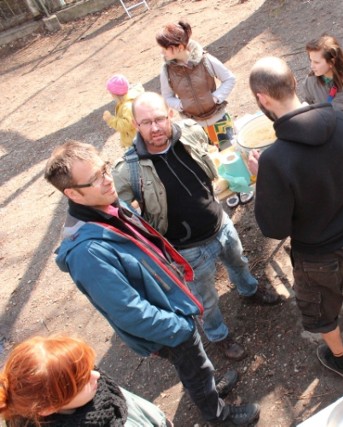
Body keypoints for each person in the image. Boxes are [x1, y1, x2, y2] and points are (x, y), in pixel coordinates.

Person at [44, 141, 260, 425]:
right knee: (193, 367)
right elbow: (130, 312)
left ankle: (208, 388)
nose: (108, 180)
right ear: (72, 193)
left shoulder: (105, 203)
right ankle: (218, 414)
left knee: (196, 365)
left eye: (104, 169)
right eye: (95, 179)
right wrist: (180, 328)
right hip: (168, 324)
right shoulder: (87, 253)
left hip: (172, 307)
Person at [247, 57, 343, 380]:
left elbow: (274, 227)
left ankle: (341, 359)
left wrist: (263, 180)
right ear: (295, 84)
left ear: (262, 98)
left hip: (316, 256)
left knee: (322, 310)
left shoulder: (273, 159)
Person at [112, 91, 281, 362]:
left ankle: (249, 289)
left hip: (220, 223)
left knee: (239, 262)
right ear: (135, 125)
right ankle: (218, 335)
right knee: (206, 299)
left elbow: (210, 156)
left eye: (159, 118)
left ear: (170, 115)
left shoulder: (190, 133)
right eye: (146, 122)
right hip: (187, 250)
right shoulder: (127, 169)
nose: (154, 127)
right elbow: (118, 210)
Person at [0, 334, 170, 426]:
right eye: (82, 381)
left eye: (89, 368)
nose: (96, 375)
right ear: (48, 408)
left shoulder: (96, 387)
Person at [156, 20, 236, 149]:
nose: (162, 52)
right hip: (194, 128)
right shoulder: (166, 71)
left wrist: (215, 98)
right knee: (210, 162)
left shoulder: (205, 60)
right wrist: (181, 105)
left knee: (232, 156)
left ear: (180, 47)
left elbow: (229, 79)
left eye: (165, 48)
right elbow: (167, 97)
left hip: (219, 121)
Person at [102, 74, 144, 149]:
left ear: (115, 94)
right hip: (135, 139)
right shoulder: (125, 102)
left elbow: (127, 125)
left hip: (135, 142)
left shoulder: (127, 106)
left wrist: (110, 119)